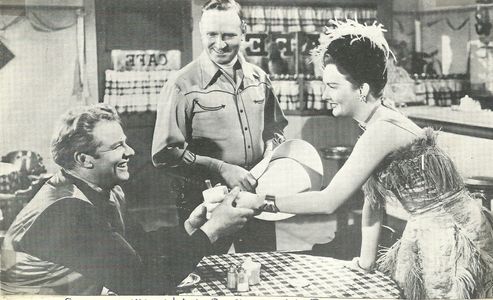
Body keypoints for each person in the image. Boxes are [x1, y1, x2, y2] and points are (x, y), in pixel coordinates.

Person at [236, 19, 493, 299]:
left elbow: (328, 201)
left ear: (362, 89)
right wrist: (365, 262)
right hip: (433, 228)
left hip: (451, 235)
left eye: (332, 86)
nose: (325, 95)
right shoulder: (377, 122)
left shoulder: (381, 130)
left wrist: (264, 202)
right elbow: (373, 199)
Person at [0, 104, 254, 295]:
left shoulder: (106, 190)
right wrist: (212, 231)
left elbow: (139, 248)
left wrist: (191, 227)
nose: (130, 152)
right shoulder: (66, 210)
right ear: (83, 159)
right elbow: (142, 284)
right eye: (116, 146)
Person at [151, 0, 288, 252]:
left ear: (244, 31)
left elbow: (275, 130)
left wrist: (270, 152)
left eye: (228, 35)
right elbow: (164, 154)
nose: (220, 43)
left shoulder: (260, 78)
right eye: (211, 35)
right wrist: (221, 167)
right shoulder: (181, 84)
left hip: (256, 193)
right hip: (204, 201)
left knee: (262, 269)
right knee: (205, 272)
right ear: (201, 33)